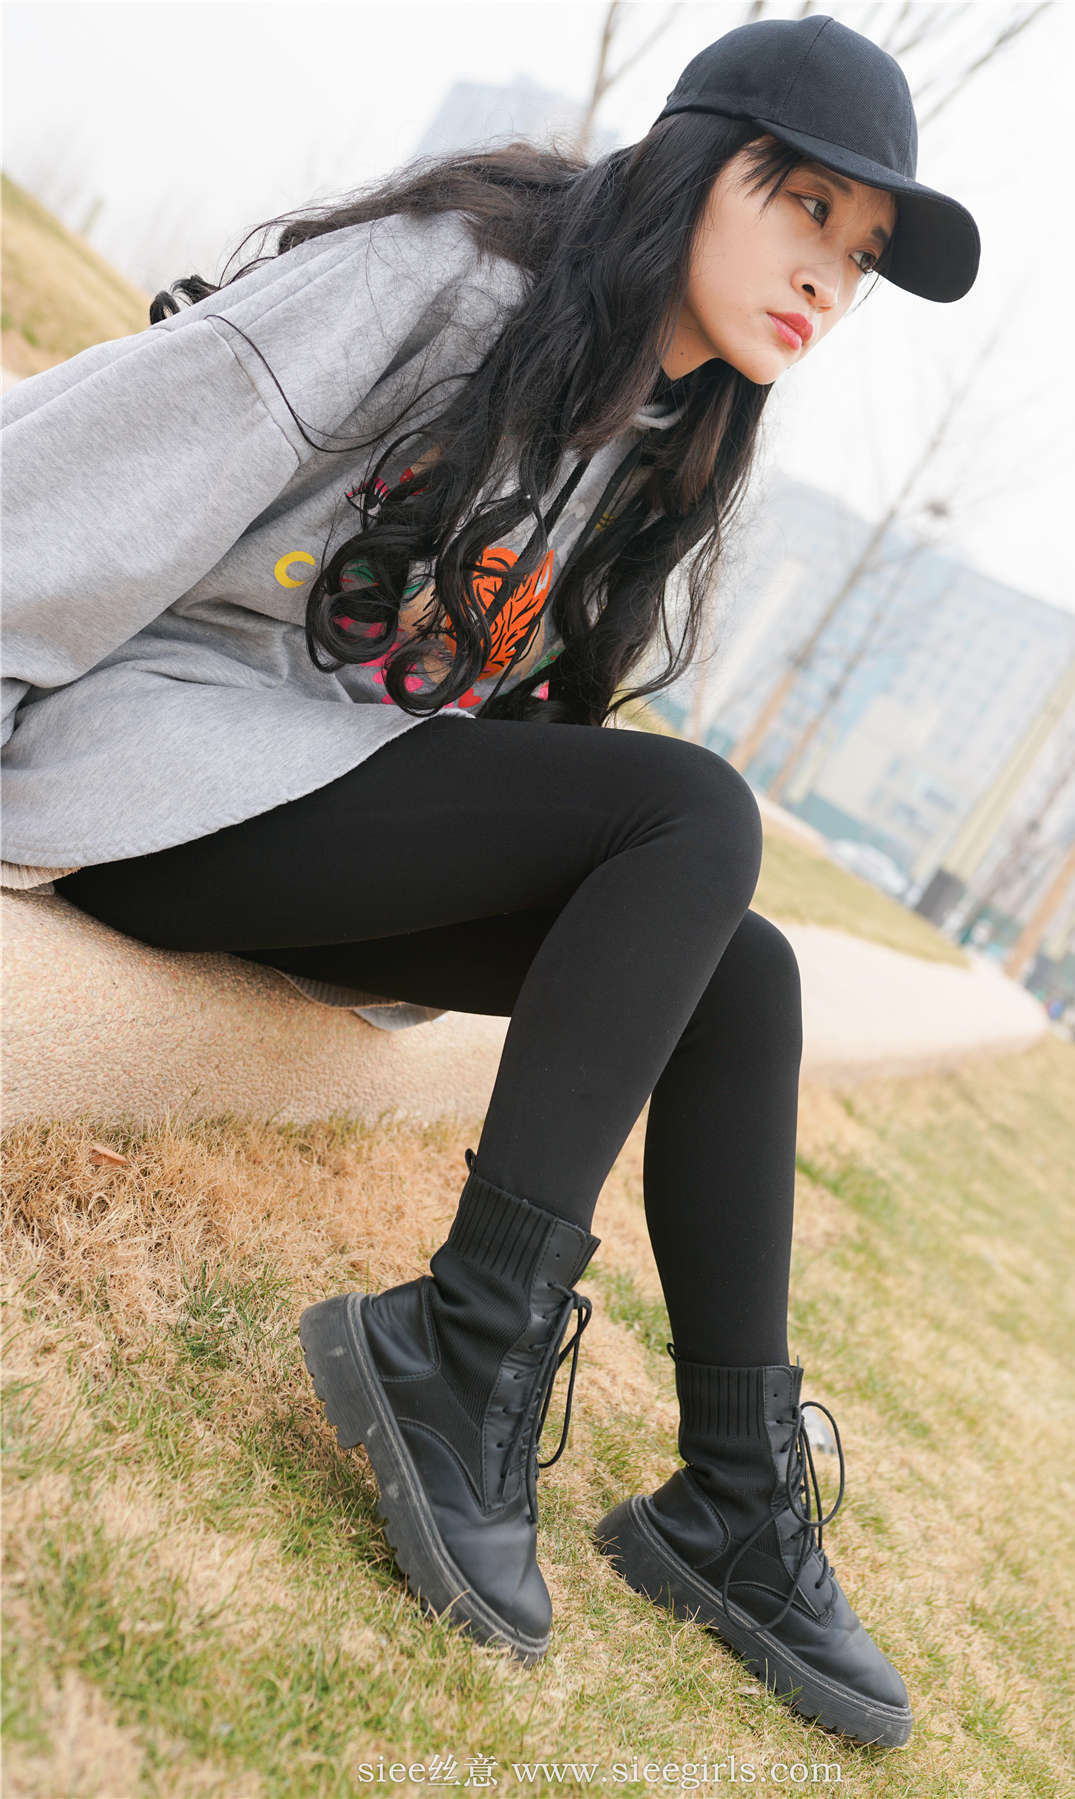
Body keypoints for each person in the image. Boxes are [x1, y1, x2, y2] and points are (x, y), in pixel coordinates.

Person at [0, 14, 978, 1749]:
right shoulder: (452, 277)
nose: (828, 279)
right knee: (692, 813)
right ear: (698, 164)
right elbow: (111, 451)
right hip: (148, 760)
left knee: (740, 967)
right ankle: (460, 1350)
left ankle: (730, 1499)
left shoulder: (666, 427)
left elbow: (494, 717)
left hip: (300, 789)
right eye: (806, 207)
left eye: (863, 254)